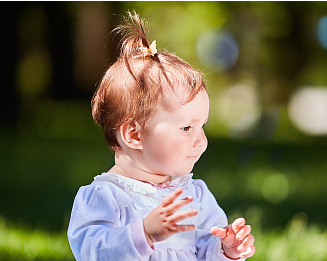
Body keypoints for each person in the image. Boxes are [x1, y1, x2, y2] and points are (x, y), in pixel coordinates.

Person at [67, 10, 255, 261]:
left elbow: (204, 250)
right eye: (186, 128)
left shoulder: (195, 195)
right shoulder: (105, 197)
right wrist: (143, 233)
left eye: (203, 127)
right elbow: (91, 251)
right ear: (134, 134)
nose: (201, 141)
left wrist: (225, 249)